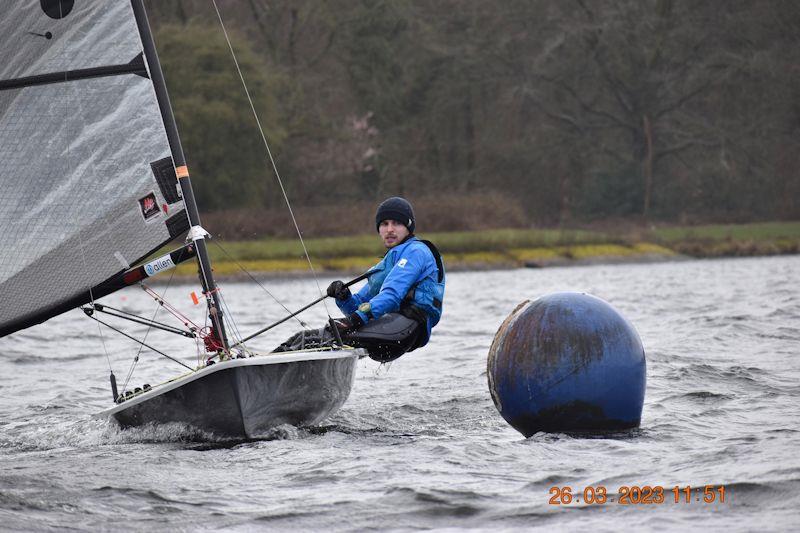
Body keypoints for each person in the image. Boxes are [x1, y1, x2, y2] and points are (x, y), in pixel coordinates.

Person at [274, 197, 445, 362]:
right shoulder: (388, 262)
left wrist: (354, 320)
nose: (390, 229)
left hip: (409, 326)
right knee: (308, 338)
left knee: (318, 338)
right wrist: (344, 297)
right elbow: (359, 306)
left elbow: (391, 295)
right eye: (384, 224)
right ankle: (272, 364)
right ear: (378, 229)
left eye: (397, 223)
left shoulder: (416, 252)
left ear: (409, 227)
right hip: (393, 324)